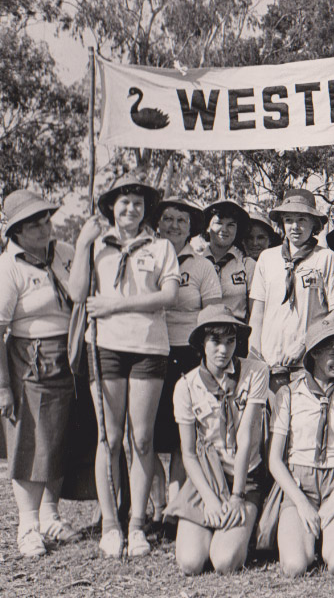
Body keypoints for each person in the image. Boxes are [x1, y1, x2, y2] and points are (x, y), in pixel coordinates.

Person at [70, 172, 180, 558]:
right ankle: (110, 524)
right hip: (105, 346)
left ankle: (137, 524)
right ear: (111, 206)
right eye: (123, 201)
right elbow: (77, 293)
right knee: (109, 438)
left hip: (149, 347)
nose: (131, 208)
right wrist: (83, 245)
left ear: (145, 208)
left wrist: (116, 305)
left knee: (143, 439)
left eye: (137, 202)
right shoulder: (97, 243)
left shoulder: (162, 247)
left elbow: (167, 296)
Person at [0, 190, 79, 556]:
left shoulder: (64, 252)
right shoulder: (8, 267)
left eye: (46, 220)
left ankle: (50, 515)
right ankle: (27, 526)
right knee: (29, 440)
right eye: (34, 225)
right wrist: (2, 387)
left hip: (68, 353)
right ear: (16, 232)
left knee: (58, 437)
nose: (45, 228)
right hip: (29, 357)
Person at [172, 305, 268, 574]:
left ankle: (246, 527)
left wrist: (237, 496)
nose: (223, 350)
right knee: (190, 563)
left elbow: (246, 436)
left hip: (244, 479)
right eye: (215, 341)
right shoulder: (186, 386)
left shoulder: (256, 372)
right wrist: (211, 500)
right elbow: (188, 454)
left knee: (224, 561)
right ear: (202, 342)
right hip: (208, 479)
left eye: (230, 341)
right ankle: (218, 524)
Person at [270, 320, 334, 576]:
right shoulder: (289, 394)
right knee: (294, 566)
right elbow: (275, 460)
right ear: (314, 353)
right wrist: (301, 502)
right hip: (299, 482)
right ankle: (305, 533)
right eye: (333, 355)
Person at [150, 197, 222, 526]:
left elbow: (212, 313)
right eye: (168, 219)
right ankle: (154, 502)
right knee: (146, 432)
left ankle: (176, 504)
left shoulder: (202, 265)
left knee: (184, 430)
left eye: (181, 220)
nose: (174, 226)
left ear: (191, 228)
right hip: (150, 349)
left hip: (189, 353)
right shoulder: (146, 257)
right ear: (157, 223)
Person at [248, 189, 334, 392]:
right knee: (274, 421)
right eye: (289, 219)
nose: (295, 227)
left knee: (307, 420)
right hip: (271, 362)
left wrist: (306, 342)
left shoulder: (325, 258)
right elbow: (257, 313)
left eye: (302, 219)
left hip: (308, 360)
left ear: (314, 223)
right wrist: (255, 355)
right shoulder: (267, 258)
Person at [200, 201, 255, 326]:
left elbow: (254, 312)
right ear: (208, 227)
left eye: (231, 225)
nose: (224, 230)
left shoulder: (247, 265)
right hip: (201, 331)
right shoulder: (196, 263)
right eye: (218, 223)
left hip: (236, 333)